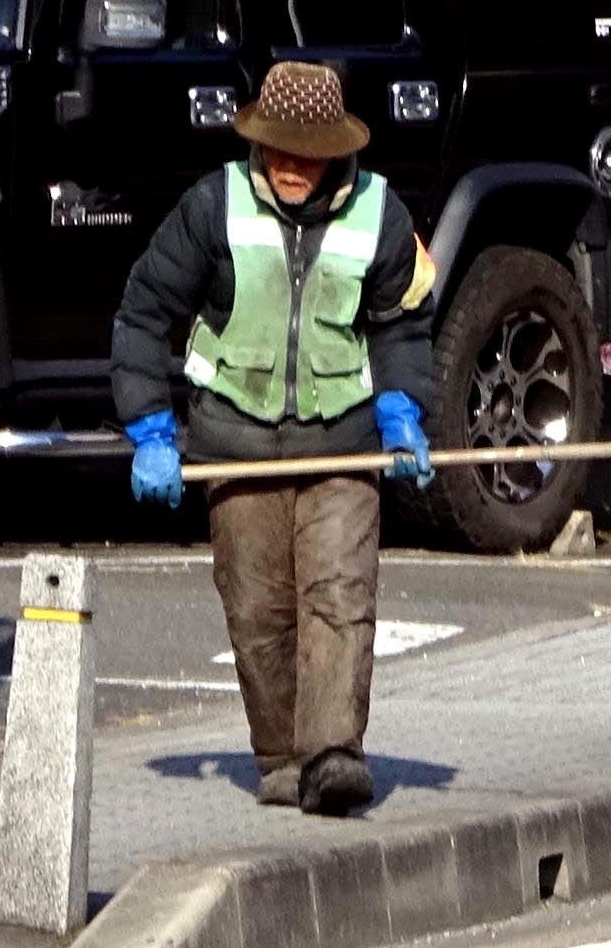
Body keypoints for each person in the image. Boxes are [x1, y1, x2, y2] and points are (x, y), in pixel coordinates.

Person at [112, 62, 436, 817]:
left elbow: (402, 322)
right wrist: (151, 427)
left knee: (339, 595)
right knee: (258, 613)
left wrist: (402, 408)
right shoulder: (211, 206)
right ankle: (283, 756)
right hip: (235, 441)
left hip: (345, 442)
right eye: (278, 149)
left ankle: (332, 755)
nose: (291, 166)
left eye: (308, 152)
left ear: (336, 149)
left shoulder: (380, 214)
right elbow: (143, 310)